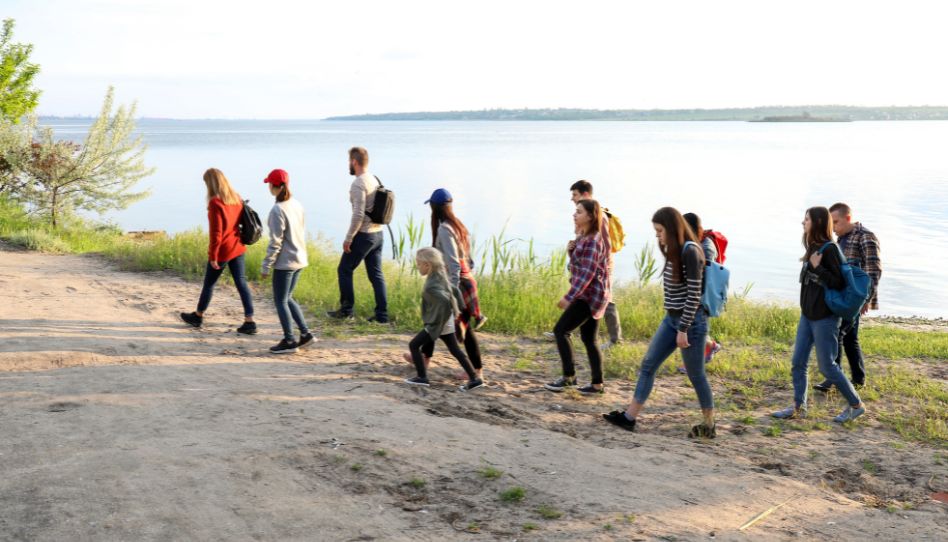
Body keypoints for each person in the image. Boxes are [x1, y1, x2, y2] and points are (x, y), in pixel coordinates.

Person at [603, 207, 715, 438]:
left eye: (660, 231)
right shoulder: (674, 251)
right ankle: (629, 418)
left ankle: (710, 425)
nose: (658, 236)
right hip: (671, 319)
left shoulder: (690, 251)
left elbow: (694, 295)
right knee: (648, 365)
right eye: (656, 231)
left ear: (673, 229)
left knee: (696, 376)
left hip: (690, 324)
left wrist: (683, 329)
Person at [771, 206, 867, 423]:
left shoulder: (830, 249)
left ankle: (856, 404)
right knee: (798, 362)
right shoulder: (812, 246)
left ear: (817, 222)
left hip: (825, 319)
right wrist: (812, 266)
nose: (803, 223)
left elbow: (838, 283)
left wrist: (817, 268)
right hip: (808, 316)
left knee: (827, 366)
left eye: (806, 219)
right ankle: (798, 407)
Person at [407, 188, 486, 381]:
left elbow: (452, 263)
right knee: (438, 320)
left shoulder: (444, 229)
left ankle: (476, 372)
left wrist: (451, 290)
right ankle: (425, 359)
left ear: (434, 208)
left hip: (457, 283)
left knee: (462, 330)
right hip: (465, 280)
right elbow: (468, 259)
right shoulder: (456, 225)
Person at [544, 199, 611, 394]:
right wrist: (571, 252)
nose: (574, 215)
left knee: (561, 331)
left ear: (590, 216)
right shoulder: (584, 237)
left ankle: (569, 377)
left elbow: (587, 274)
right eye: (575, 211)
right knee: (590, 339)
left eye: (579, 212)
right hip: (592, 295)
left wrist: (569, 296)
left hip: (588, 297)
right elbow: (579, 267)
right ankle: (597, 385)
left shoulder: (592, 240)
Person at [814, 203, 882, 391]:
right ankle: (857, 379)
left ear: (848, 218)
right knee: (849, 337)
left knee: (837, 334)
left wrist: (866, 299)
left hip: (854, 298)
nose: (833, 227)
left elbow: (873, 270)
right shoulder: (840, 239)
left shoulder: (865, 237)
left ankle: (835, 378)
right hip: (841, 296)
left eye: (836, 222)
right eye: (831, 223)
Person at [180, 168, 256, 334]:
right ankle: (249, 321)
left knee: (209, 284)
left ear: (211, 183)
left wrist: (213, 256)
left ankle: (198, 316)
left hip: (223, 250)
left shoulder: (215, 203)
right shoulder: (236, 197)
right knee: (241, 283)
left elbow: (217, 233)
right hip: (238, 247)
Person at [404, 247, 484, 392]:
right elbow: (454, 289)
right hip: (445, 321)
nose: (418, 267)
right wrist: (458, 307)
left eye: (419, 264)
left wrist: (438, 320)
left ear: (427, 265)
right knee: (455, 350)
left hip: (438, 323)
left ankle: (422, 378)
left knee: (414, 345)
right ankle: (475, 379)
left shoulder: (431, 285)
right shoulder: (439, 275)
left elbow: (444, 299)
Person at [327, 147, 388, 323]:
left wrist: (348, 238)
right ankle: (382, 316)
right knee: (376, 274)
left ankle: (347, 311)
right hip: (378, 234)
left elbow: (358, 214)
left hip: (365, 235)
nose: (348, 165)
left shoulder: (359, 183)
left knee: (344, 269)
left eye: (349, 161)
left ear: (354, 162)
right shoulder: (374, 179)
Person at [260, 169, 315, 354]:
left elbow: (276, 241)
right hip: (300, 259)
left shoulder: (277, 210)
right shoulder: (296, 204)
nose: (269, 187)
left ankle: (289, 340)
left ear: (275, 186)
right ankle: (306, 334)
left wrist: (266, 265)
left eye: (269, 184)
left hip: (286, 263)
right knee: (288, 298)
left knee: (280, 300)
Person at [568, 180, 622, 347]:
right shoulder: (583, 212)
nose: (572, 199)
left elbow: (604, 242)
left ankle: (615, 339)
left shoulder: (600, 214)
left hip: (599, 264)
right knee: (581, 294)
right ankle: (567, 329)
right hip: (588, 261)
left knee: (607, 299)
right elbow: (584, 234)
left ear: (585, 194)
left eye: (575, 195)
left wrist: (602, 268)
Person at [681, 212, 723, 368]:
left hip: (704, 295)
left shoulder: (706, 247)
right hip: (695, 293)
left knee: (695, 327)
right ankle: (711, 346)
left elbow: (706, 275)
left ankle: (692, 363)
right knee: (694, 326)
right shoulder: (694, 242)